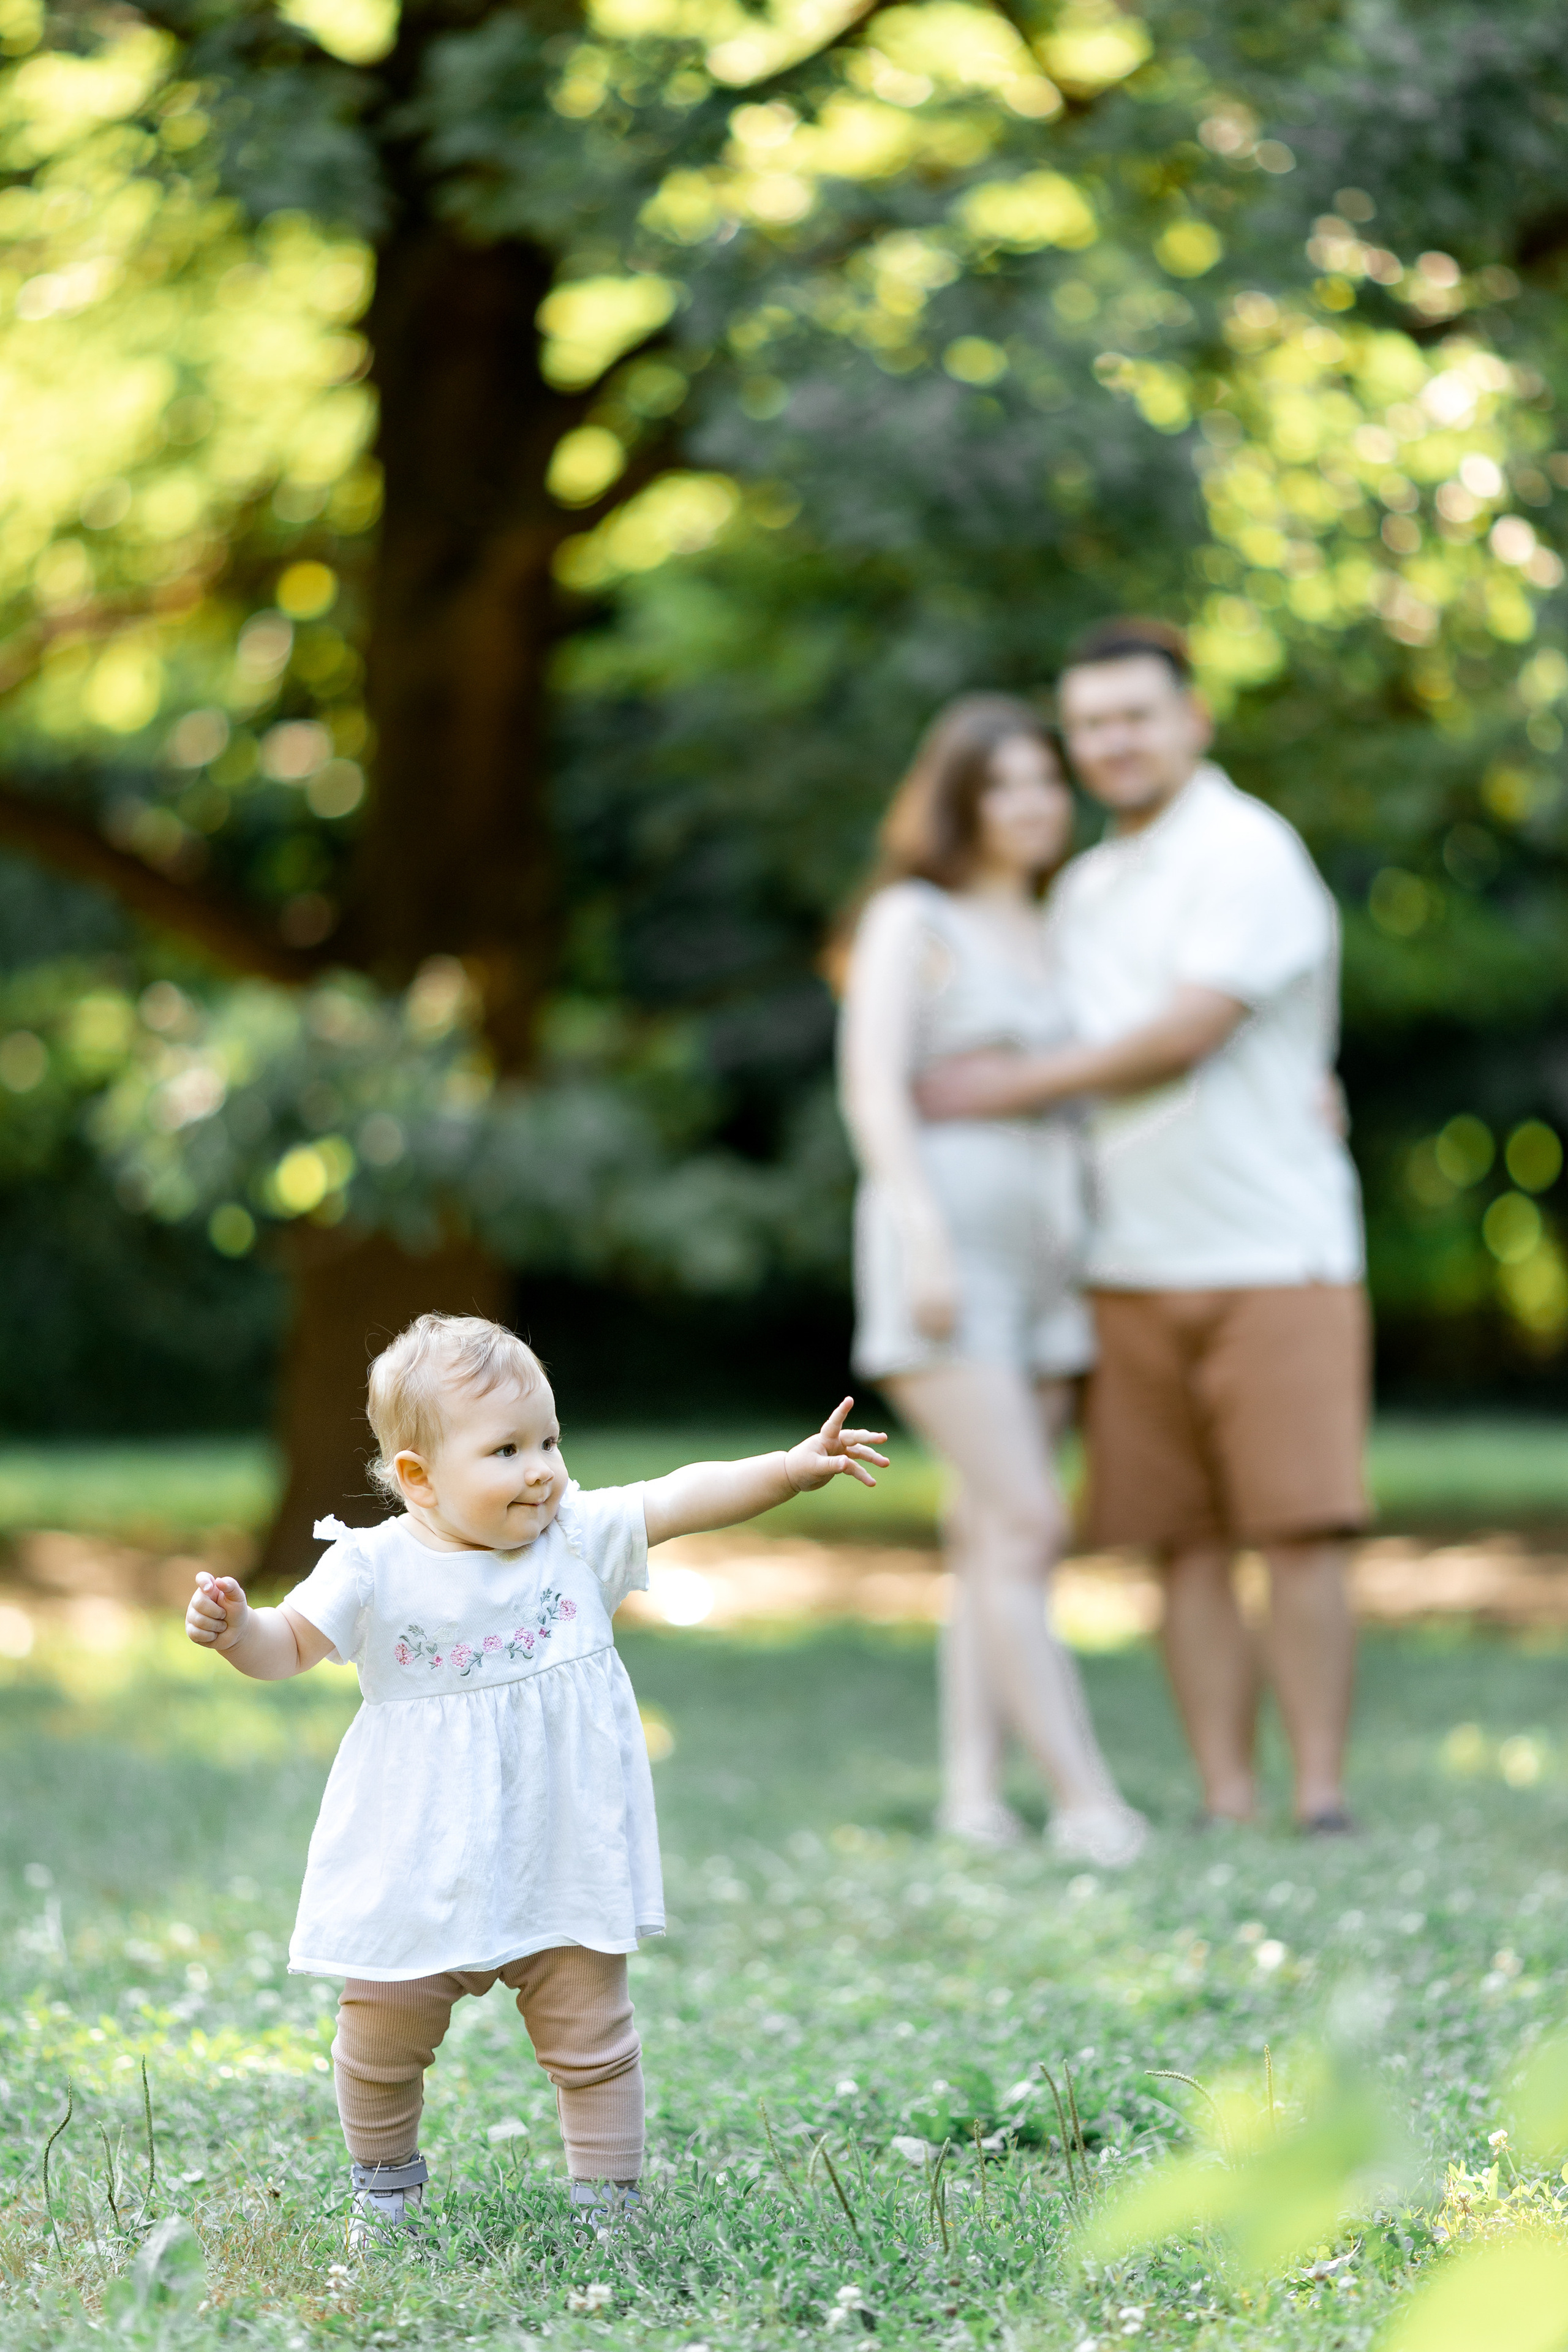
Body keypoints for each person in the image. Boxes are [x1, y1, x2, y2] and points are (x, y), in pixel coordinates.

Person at [184, 1313, 888, 2244]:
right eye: (508, 1449)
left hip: (562, 1850)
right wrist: (238, 1632)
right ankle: (386, 2193)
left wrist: (791, 1468)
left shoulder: (575, 1538)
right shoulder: (371, 1567)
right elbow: (289, 1646)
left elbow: (682, 1496)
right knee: (380, 2038)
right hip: (418, 1859)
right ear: (418, 1478)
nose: (542, 1469)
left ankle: (611, 2214)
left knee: (593, 2039)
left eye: (549, 1439)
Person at [916, 620, 1368, 1833]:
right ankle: (1224, 1796)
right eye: (1090, 724)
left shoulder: (1245, 850)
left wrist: (993, 1091)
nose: (1110, 742)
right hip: (1120, 1260)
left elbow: (1184, 1032)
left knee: (1301, 1532)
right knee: (1179, 1545)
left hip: (1274, 1253)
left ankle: (1316, 1796)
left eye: (1134, 716)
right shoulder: (1085, 889)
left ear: (1190, 720)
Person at [837, 693, 1147, 1867]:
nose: (1031, 804)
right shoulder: (911, 917)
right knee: (1028, 1517)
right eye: (1004, 784)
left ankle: (975, 1795)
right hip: (950, 1252)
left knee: (990, 1536)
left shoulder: (1069, 924)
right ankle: (1084, 1801)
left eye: (1045, 782)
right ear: (961, 799)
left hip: (1055, 1257)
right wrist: (919, 1231)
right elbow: (873, 1087)